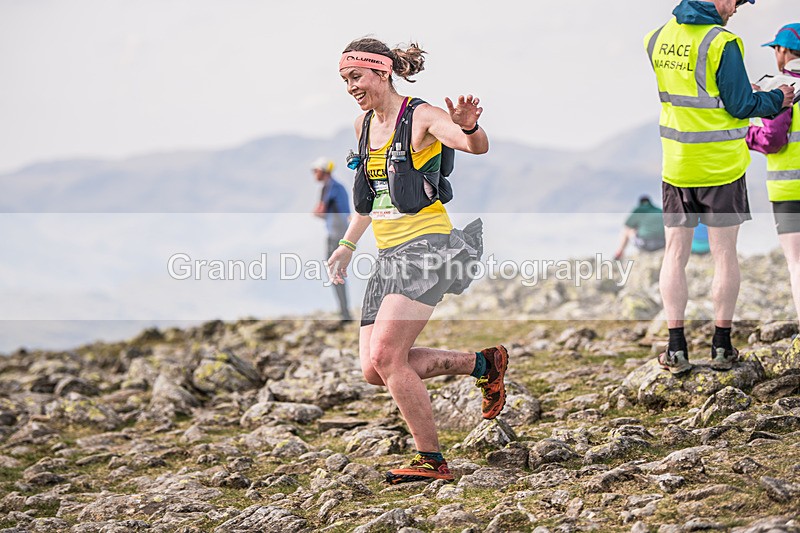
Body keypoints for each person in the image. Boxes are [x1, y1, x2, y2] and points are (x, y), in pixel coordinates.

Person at [328, 38, 507, 484]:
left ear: (383, 72)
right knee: (374, 370)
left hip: (427, 247)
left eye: (357, 77)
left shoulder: (421, 116)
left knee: (389, 356)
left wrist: (467, 127)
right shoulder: (363, 125)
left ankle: (432, 460)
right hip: (388, 254)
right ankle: (482, 364)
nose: (351, 86)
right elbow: (368, 202)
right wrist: (347, 246)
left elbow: (477, 147)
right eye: (345, 80)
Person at [645, 0, 794, 375]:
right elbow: (741, 104)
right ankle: (721, 347)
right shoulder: (722, 42)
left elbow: (697, 95)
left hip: (677, 164)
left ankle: (675, 349)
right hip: (721, 167)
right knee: (724, 255)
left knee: (674, 254)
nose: (739, 7)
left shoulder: (657, 38)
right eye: (738, 0)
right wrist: (777, 98)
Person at [746, 23, 800, 328]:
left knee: (797, 265)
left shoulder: (779, 86)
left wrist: (746, 133)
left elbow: (773, 140)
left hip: (790, 191)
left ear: (782, 51)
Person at [311, 157, 353, 322]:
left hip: (335, 235)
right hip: (341, 233)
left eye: (315, 171)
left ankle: (345, 313)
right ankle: (344, 311)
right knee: (337, 272)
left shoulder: (330, 188)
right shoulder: (337, 186)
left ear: (323, 171)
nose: (314, 174)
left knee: (335, 272)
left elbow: (320, 211)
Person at [614, 195, 666, 260]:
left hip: (645, 244)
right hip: (662, 243)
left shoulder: (639, 210)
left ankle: (619, 253)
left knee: (627, 230)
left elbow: (627, 225)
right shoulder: (659, 210)